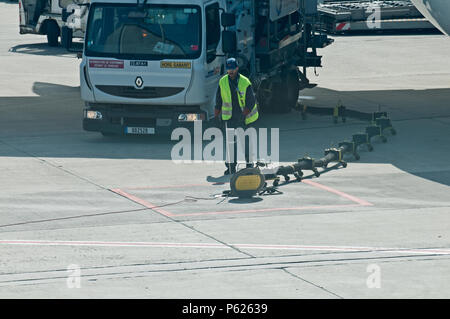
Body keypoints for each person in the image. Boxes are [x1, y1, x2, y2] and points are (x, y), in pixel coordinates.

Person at [215, 58, 259, 175]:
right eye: (229, 69)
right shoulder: (222, 81)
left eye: (233, 69)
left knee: (246, 142)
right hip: (229, 118)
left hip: (244, 118)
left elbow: (251, 101)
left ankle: (249, 165)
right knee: (230, 144)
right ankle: (231, 167)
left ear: (237, 68)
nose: (231, 71)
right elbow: (218, 99)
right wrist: (216, 114)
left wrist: (243, 114)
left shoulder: (245, 82)